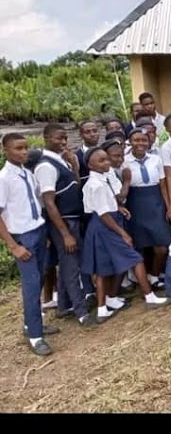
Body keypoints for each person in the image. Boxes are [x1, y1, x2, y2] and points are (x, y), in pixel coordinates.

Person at [82, 147, 169, 323]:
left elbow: (109, 203)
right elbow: (103, 214)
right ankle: (149, 296)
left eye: (107, 159)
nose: (107, 162)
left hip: (106, 222)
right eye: (101, 161)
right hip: (106, 226)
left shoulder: (104, 178)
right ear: (90, 165)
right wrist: (123, 233)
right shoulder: (96, 185)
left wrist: (118, 207)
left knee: (103, 268)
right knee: (135, 259)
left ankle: (103, 307)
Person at [0, 133, 57, 355]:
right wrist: (14, 246)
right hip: (22, 237)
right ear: (6, 150)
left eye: (25, 148)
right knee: (31, 285)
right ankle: (35, 336)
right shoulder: (4, 178)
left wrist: (46, 232)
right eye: (17, 149)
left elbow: (35, 201)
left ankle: (31, 324)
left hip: (38, 230)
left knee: (41, 277)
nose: (23, 152)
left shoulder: (27, 173)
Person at [34, 124, 95, 327]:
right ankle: (82, 313)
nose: (63, 142)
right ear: (46, 137)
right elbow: (49, 203)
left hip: (73, 218)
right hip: (64, 222)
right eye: (58, 138)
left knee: (68, 263)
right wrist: (65, 234)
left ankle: (64, 307)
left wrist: (75, 168)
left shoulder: (61, 161)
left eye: (65, 138)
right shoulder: (45, 166)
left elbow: (75, 187)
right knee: (71, 267)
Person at [123, 128, 171, 289]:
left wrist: (169, 206)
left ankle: (155, 274)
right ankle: (142, 280)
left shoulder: (155, 159)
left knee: (162, 246)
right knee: (140, 245)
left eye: (144, 140)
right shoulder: (124, 162)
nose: (140, 143)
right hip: (135, 204)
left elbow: (163, 186)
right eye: (136, 140)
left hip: (155, 203)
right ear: (130, 141)